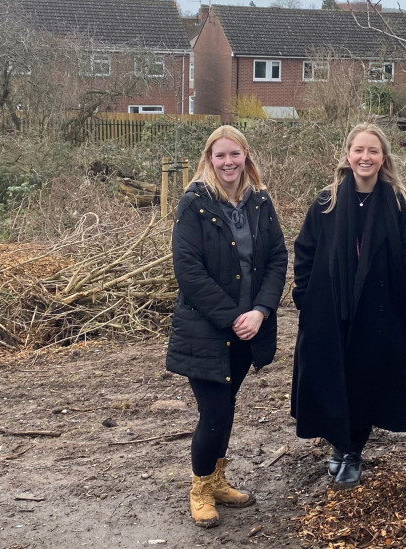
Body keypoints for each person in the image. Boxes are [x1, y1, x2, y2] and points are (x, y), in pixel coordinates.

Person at [291, 123, 406, 488]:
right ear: (348, 155)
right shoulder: (326, 201)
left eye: (373, 151)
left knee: (367, 377)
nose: (366, 157)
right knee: (333, 375)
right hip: (329, 306)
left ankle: (352, 450)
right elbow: (305, 250)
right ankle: (340, 443)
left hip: (379, 307)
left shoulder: (398, 201)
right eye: (359, 150)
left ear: (383, 158)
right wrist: (303, 296)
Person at [166, 125, 288, 528]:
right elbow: (188, 270)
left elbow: (276, 259)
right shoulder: (194, 203)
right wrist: (231, 317)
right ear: (209, 159)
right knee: (215, 410)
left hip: (249, 327)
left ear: (246, 156)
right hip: (207, 329)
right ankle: (200, 488)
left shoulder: (260, 201)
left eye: (234, 154)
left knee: (226, 406)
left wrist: (261, 311)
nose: (228, 162)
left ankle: (218, 480)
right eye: (220, 156)